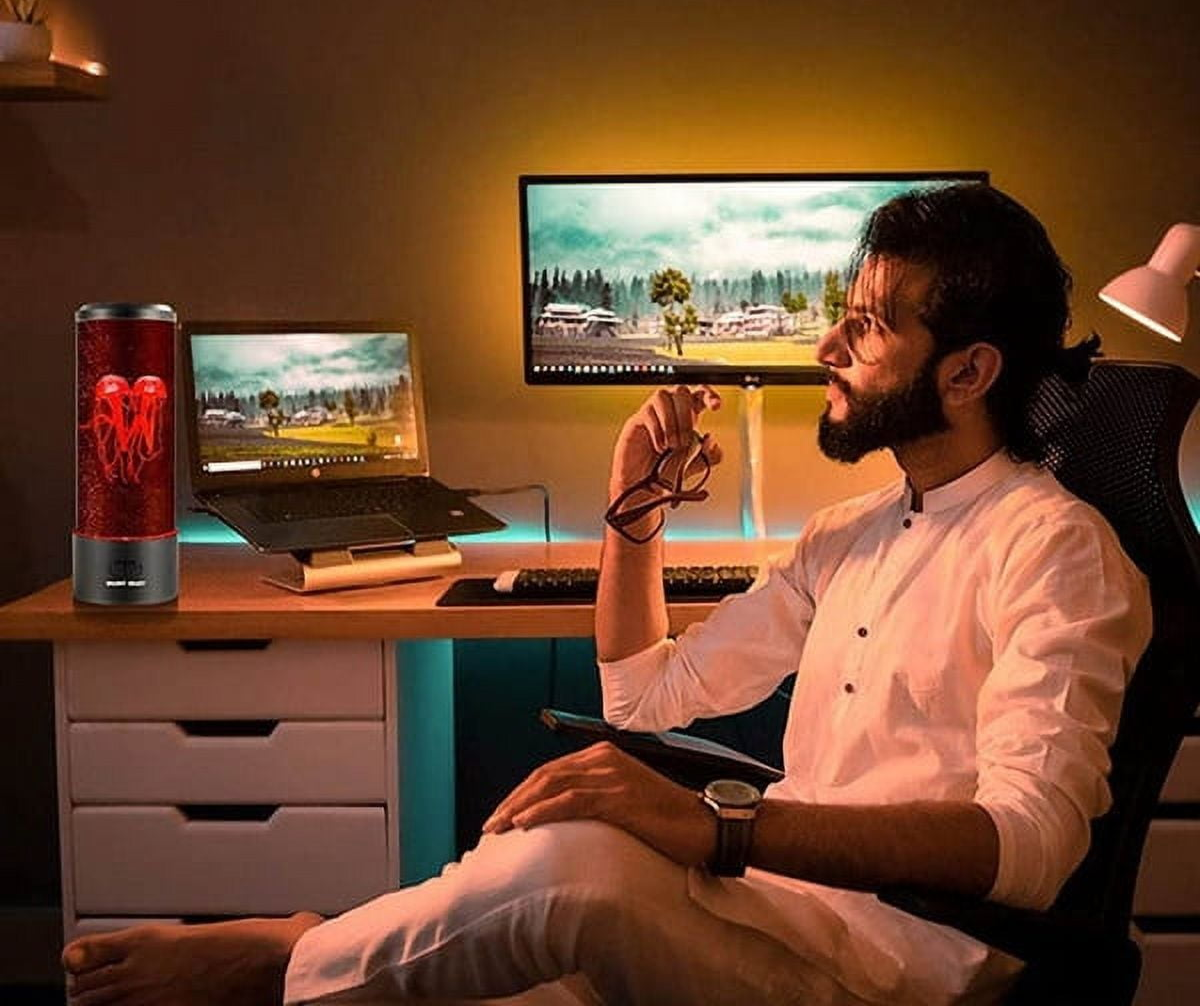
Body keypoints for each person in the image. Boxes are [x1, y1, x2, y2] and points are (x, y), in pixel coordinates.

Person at [62, 183, 1150, 1006]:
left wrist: (722, 828)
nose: (827, 347)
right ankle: (325, 945)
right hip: (795, 907)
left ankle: (286, 961)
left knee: (574, 876)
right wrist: (634, 511)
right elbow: (646, 698)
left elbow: (1030, 844)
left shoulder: (1056, 552)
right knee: (553, 861)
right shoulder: (850, 535)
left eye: (866, 328)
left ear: (966, 373)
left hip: (915, 962)